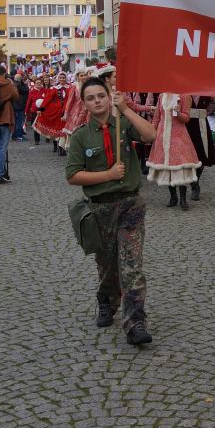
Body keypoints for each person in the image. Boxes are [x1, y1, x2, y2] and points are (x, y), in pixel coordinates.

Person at [66, 77, 158, 346]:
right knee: (108, 266)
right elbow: (73, 176)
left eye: (101, 96)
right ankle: (106, 300)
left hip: (130, 205)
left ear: (108, 97)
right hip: (100, 209)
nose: (97, 101)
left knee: (132, 266)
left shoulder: (123, 125)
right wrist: (107, 174)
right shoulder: (82, 136)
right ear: (84, 103)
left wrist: (127, 109)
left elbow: (150, 135)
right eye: (91, 97)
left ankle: (135, 322)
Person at [146, 92, 202, 210]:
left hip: (178, 136)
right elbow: (157, 117)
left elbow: (186, 118)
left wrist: (177, 113)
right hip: (163, 136)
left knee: (179, 166)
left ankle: (183, 199)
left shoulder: (184, 96)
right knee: (167, 167)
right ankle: (173, 197)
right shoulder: (162, 96)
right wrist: (152, 132)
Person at [185, 96, 215, 201]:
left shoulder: (206, 89)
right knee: (187, 155)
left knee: (202, 155)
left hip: (202, 124)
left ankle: (195, 183)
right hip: (187, 124)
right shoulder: (185, 89)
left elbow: (213, 101)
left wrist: (204, 113)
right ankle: (192, 182)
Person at [12, 73, 29, 141]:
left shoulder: (13, 85)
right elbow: (26, 90)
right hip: (19, 105)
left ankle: (15, 135)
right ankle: (18, 136)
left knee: (16, 122)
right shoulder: (19, 85)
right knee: (19, 122)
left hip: (15, 105)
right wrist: (24, 83)